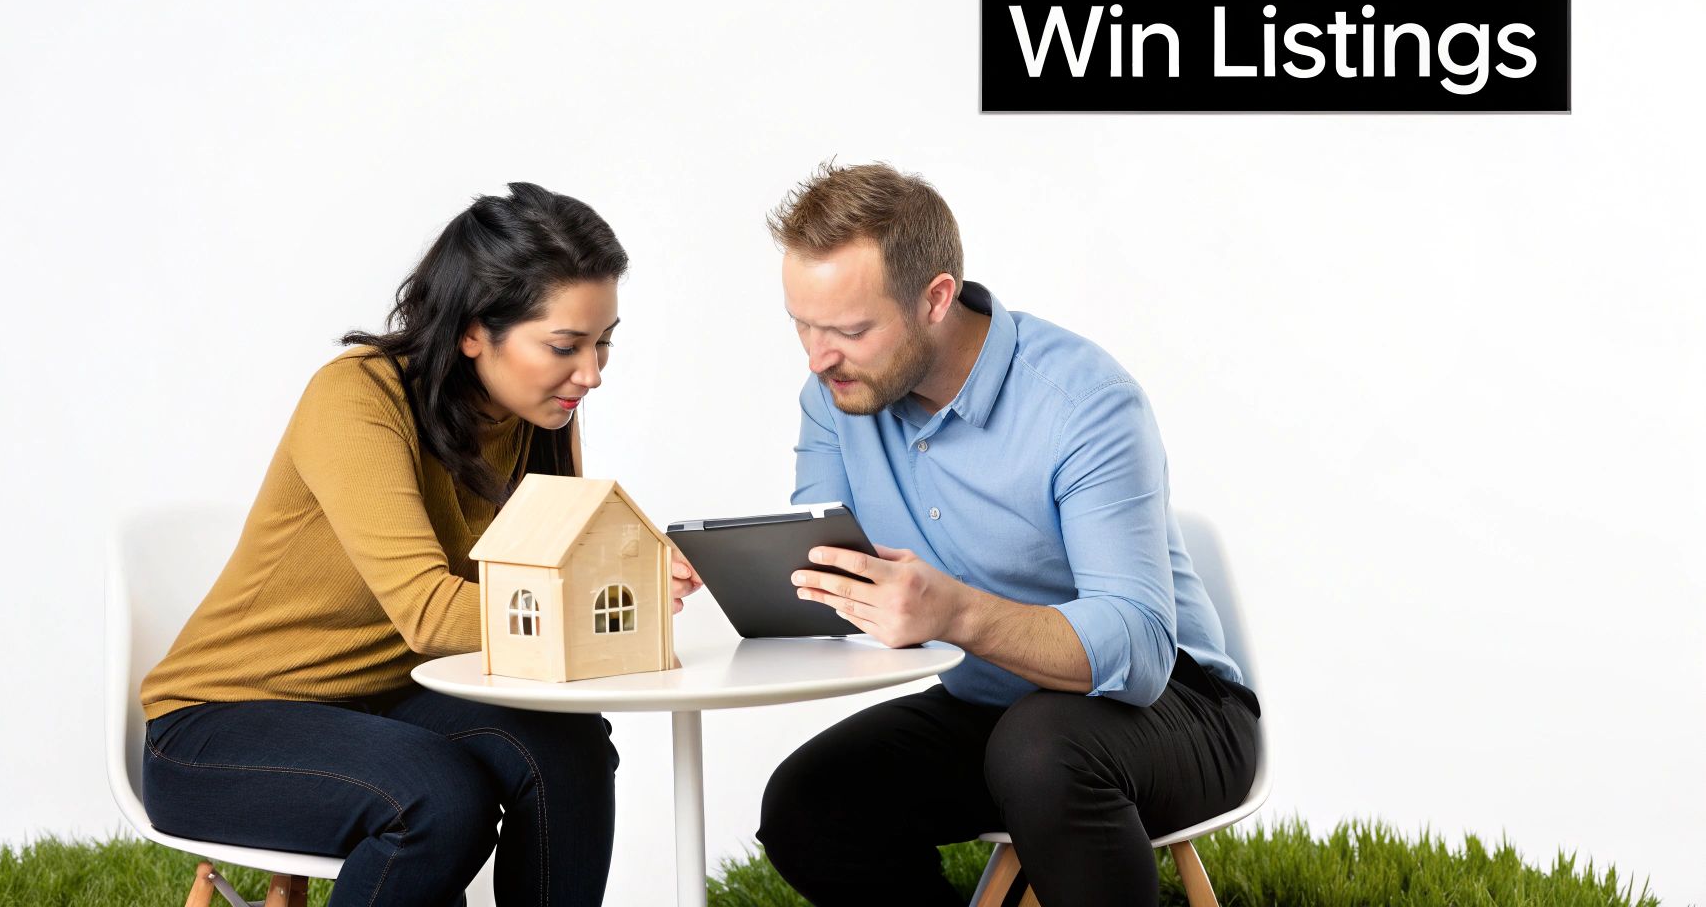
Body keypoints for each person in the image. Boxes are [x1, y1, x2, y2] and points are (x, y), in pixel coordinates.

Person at [139, 183, 703, 907]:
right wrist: (594, 609)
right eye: (565, 346)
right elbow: (428, 613)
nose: (590, 374)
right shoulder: (357, 399)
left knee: (568, 748)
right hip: (220, 726)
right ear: (475, 330)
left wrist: (634, 572)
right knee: (438, 799)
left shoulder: (541, 416)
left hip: (395, 702)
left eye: (603, 344)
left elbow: (545, 570)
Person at [754, 163, 1261, 907]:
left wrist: (956, 613)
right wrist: (742, 565)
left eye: (851, 330)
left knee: (1041, 751)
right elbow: (828, 557)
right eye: (803, 324)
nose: (817, 357)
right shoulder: (836, 395)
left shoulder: (1083, 402)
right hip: (996, 708)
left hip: (1179, 711)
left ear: (935, 299)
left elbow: (1141, 649)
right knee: (810, 803)